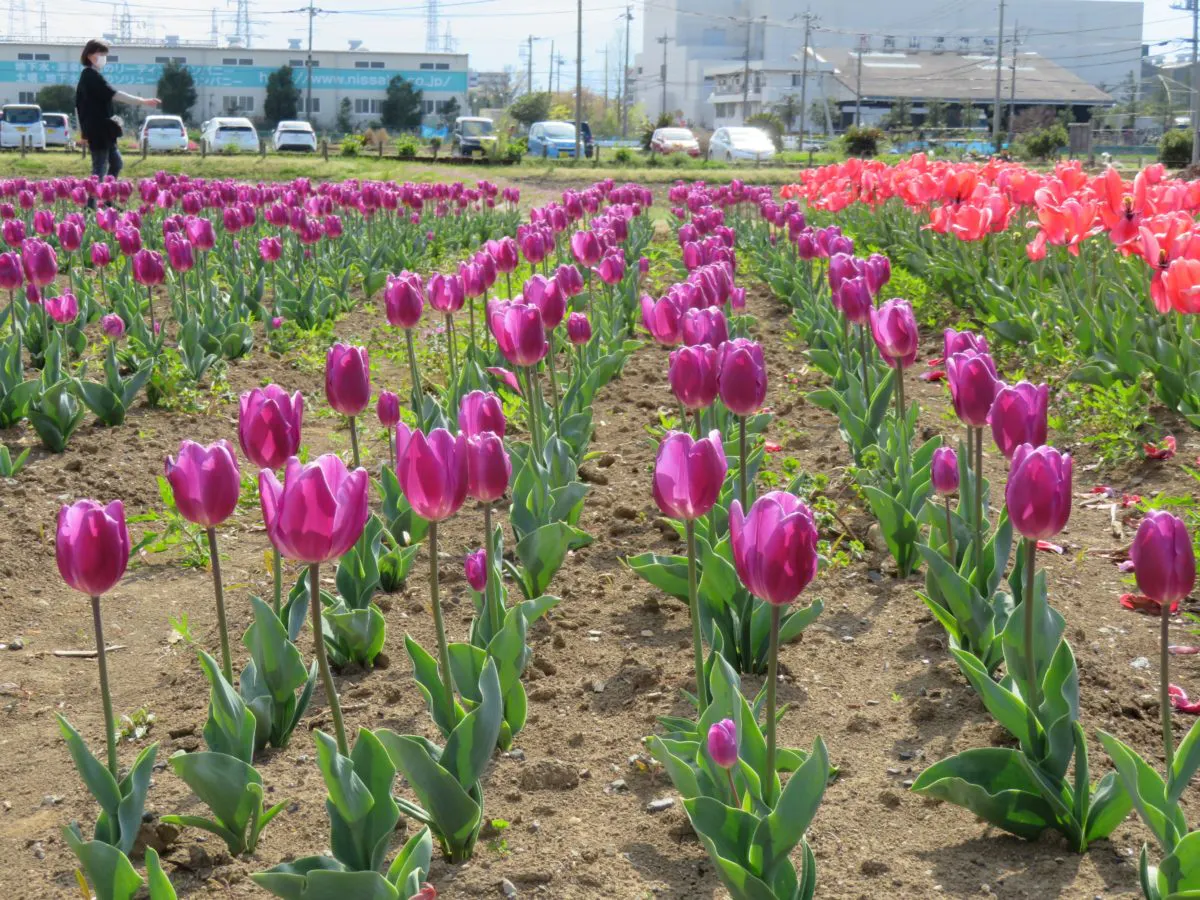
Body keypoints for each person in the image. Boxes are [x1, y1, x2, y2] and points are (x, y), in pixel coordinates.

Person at [75, 39, 160, 200]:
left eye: (104, 54)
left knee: (116, 163)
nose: (103, 58)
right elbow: (115, 94)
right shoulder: (90, 76)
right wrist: (142, 101)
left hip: (105, 130)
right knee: (99, 168)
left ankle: (107, 199)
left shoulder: (93, 75)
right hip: (97, 130)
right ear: (90, 55)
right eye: (101, 54)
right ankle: (91, 205)